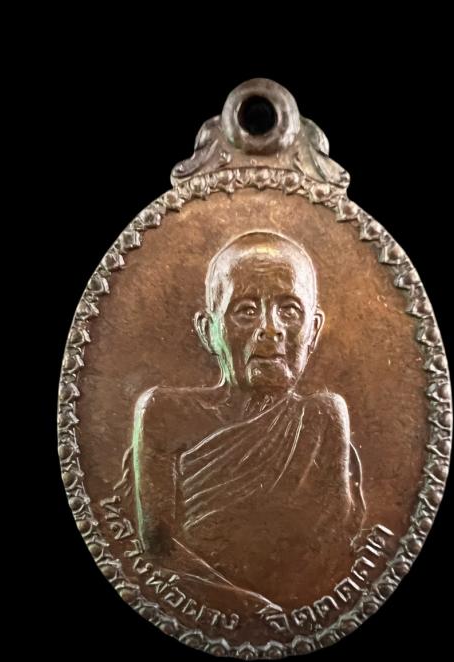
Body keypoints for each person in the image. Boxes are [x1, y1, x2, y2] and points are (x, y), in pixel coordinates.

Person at [119, 230, 365, 612]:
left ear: (314, 329)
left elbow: (334, 548)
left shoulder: (323, 417)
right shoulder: (164, 412)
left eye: (289, 310)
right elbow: (157, 549)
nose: (271, 328)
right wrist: (251, 608)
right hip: (208, 609)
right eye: (246, 310)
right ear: (208, 330)